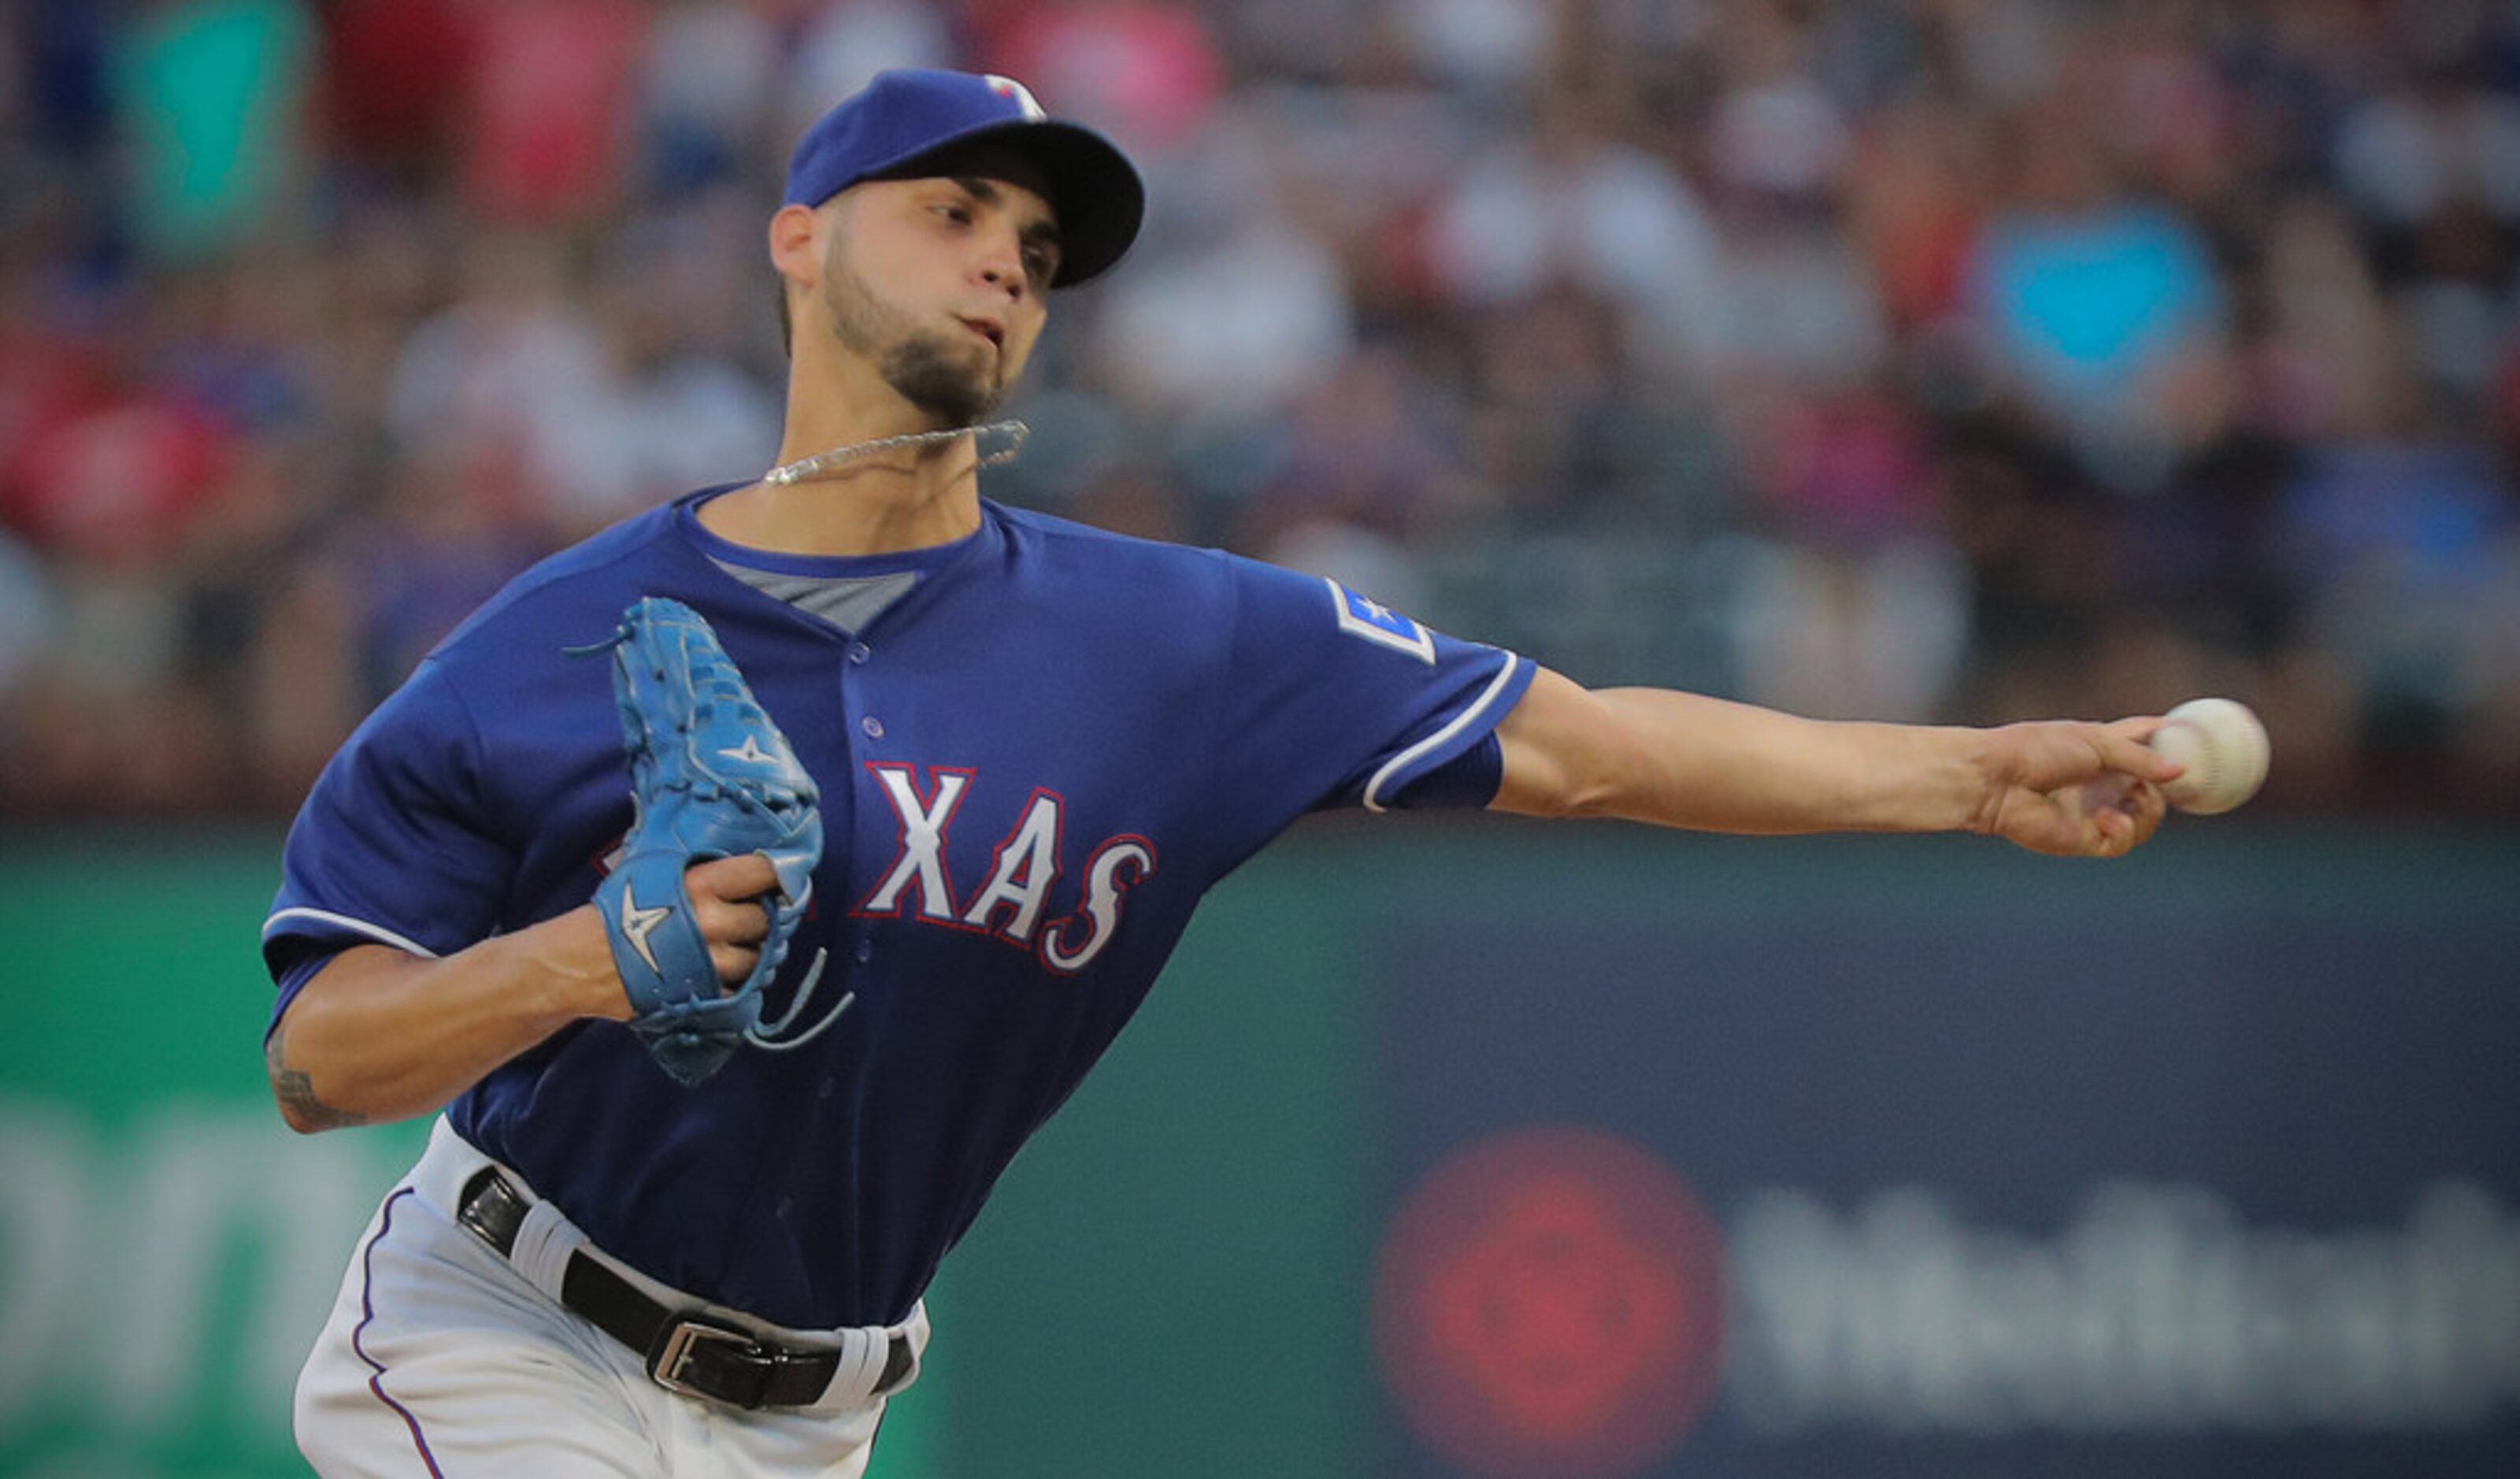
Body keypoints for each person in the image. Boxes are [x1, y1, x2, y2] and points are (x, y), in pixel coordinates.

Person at [263, 69, 2181, 1479]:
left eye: (1034, 253)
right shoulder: (545, 642)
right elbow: (320, 1057)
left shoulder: (1176, 647)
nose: (1004, 272)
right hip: (502, 1339)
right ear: (801, 237)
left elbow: (1593, 749)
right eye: (951, 215)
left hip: (818, 1420)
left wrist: (1959, 776)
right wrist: (574, 965)